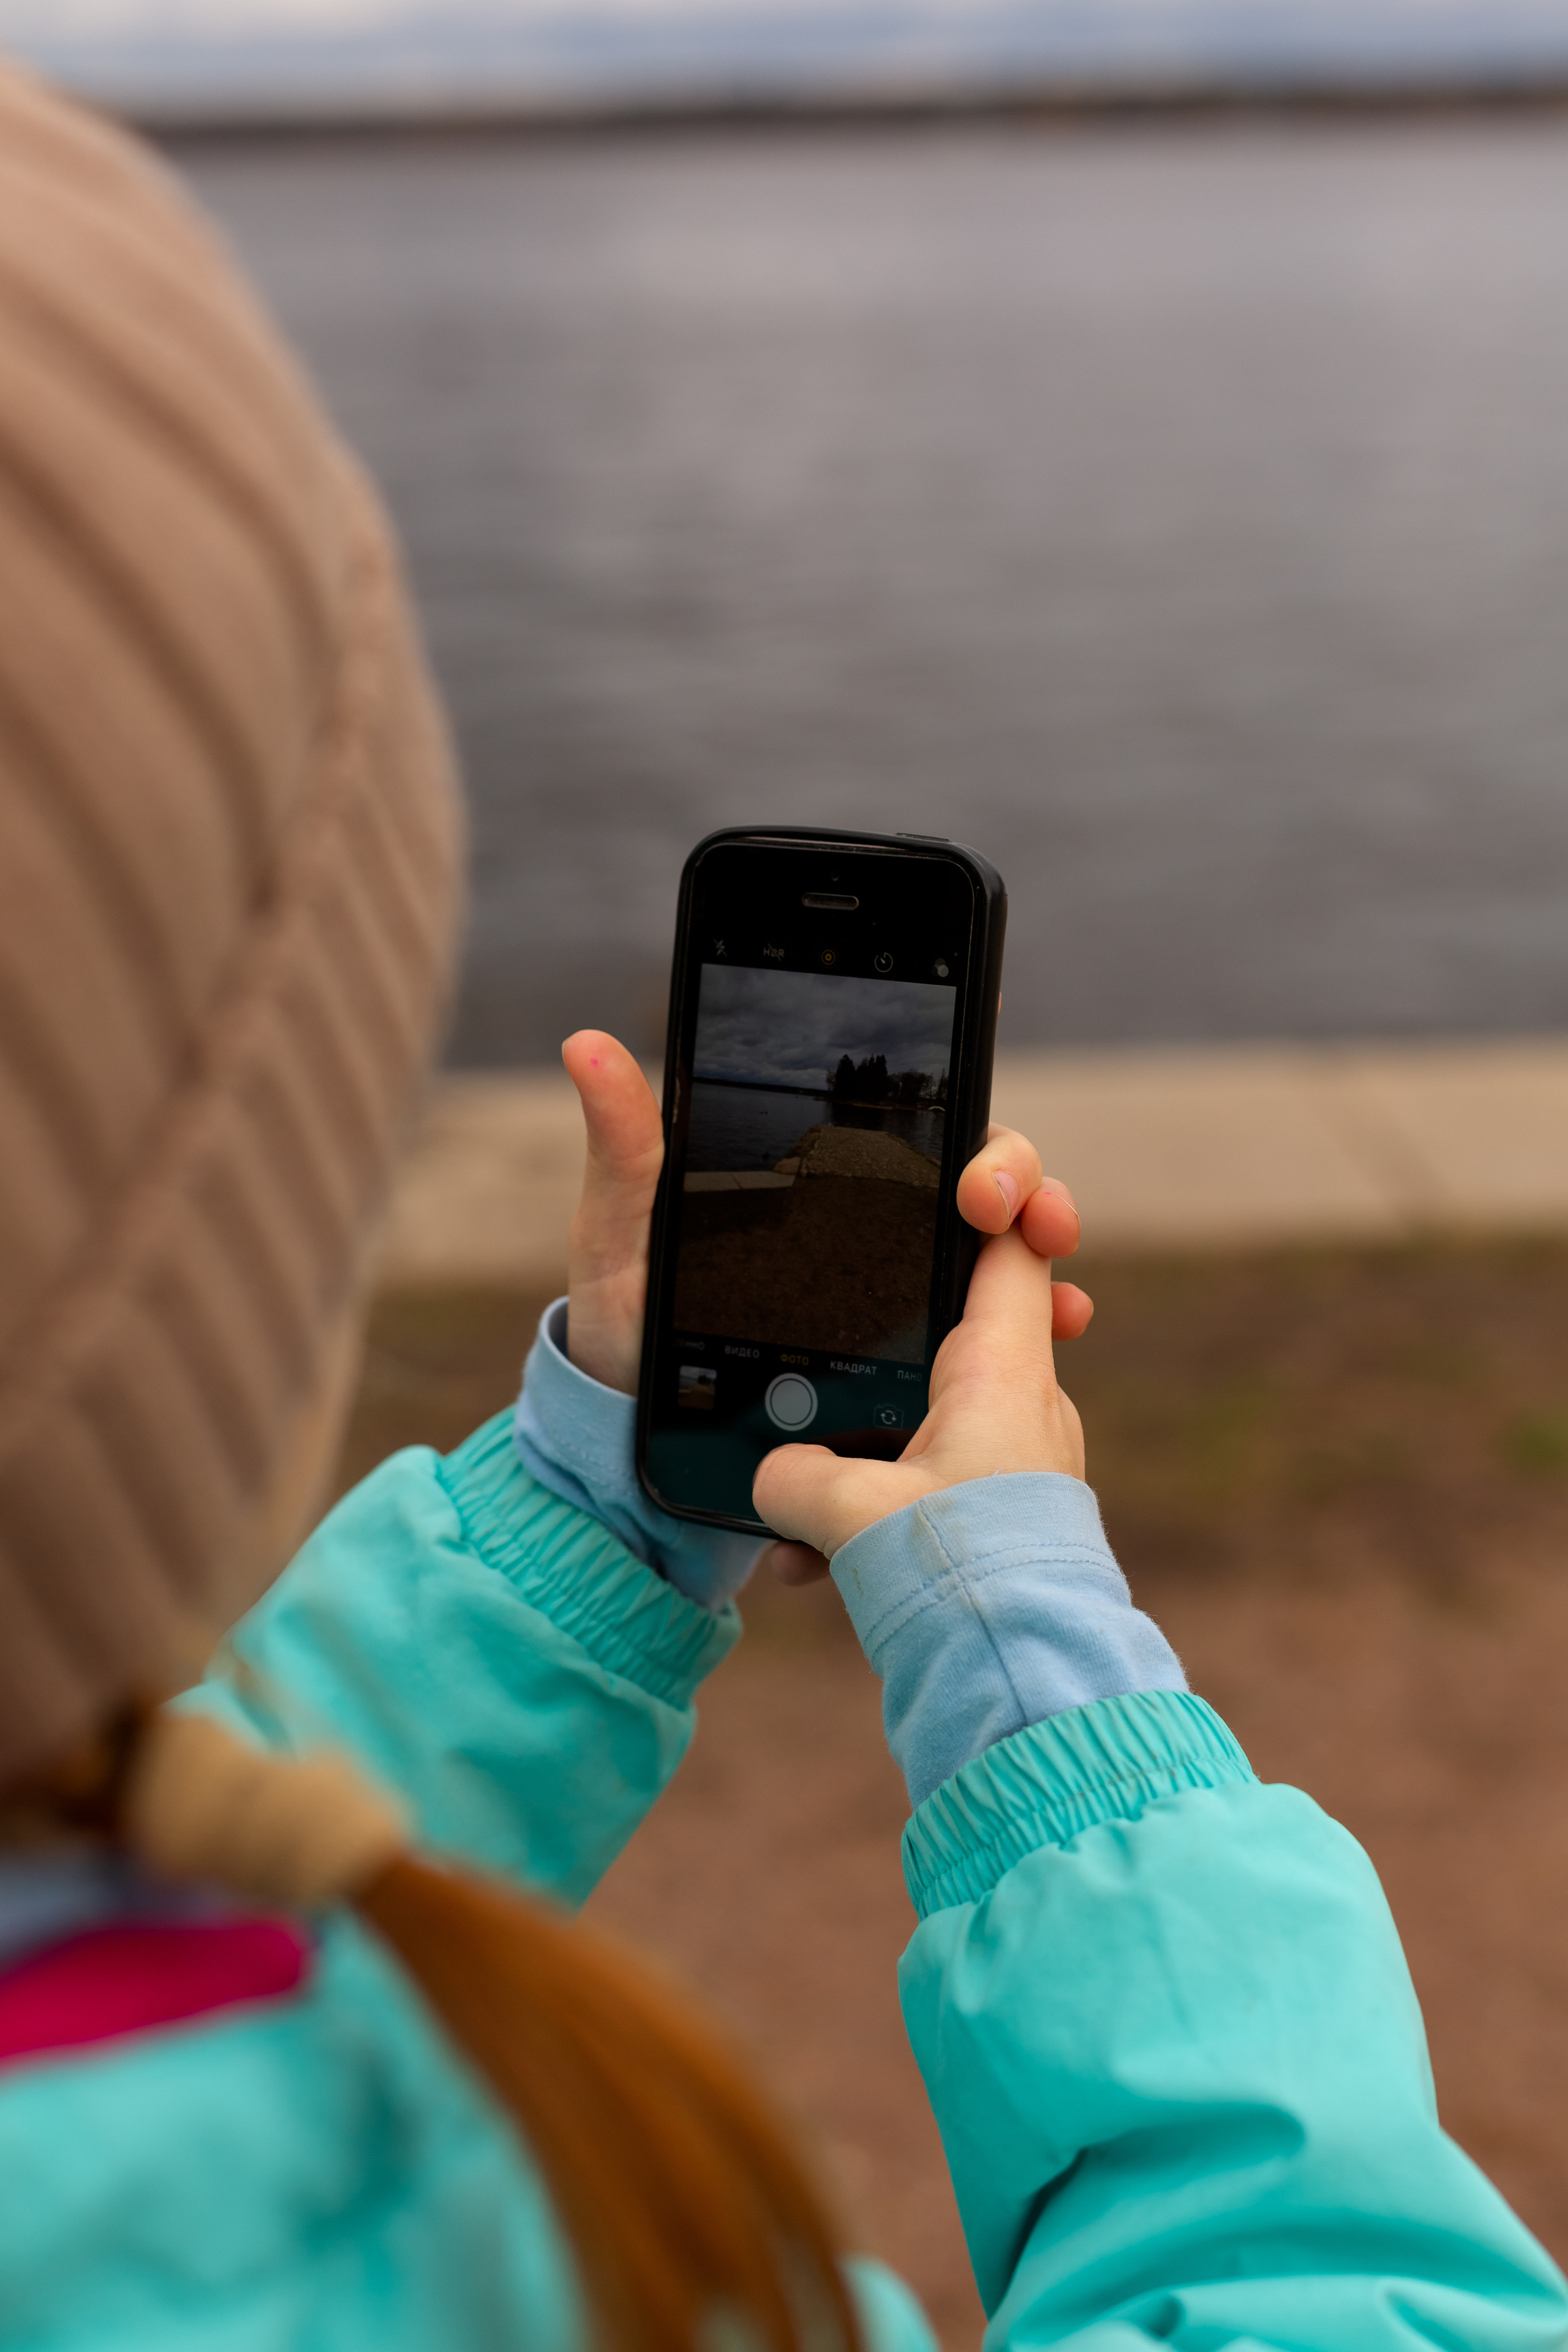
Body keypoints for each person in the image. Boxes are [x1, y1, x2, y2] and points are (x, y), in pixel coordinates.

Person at [0, 51, 1565, 2352]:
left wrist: (601, 1496)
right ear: (209, 1264)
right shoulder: (513, 2286)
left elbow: (171, 1884)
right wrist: (1036, 1677)